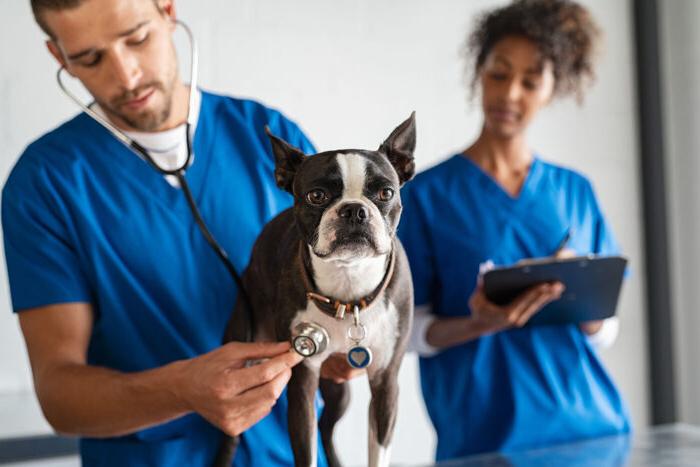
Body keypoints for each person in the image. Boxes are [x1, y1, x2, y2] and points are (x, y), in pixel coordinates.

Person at [2, 1, 359, 465]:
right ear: (59, 57)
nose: (127, 76)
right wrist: (180, 390)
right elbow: (59, 396)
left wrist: (341, 350)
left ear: (167, 10)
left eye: (137, 38)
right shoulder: (45, 183)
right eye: (90, 59)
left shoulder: (269, 139)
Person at [397, 0, 631, 461]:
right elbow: (406, 333)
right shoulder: (426, 196)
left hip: (594, 432)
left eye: (531, 80)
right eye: (499, 73)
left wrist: (578, 295)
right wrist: (479, 324)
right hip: (485, 441)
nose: (510, 95)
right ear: (479, 72)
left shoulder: (573, 191)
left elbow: (603, 329)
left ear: (552, 88)